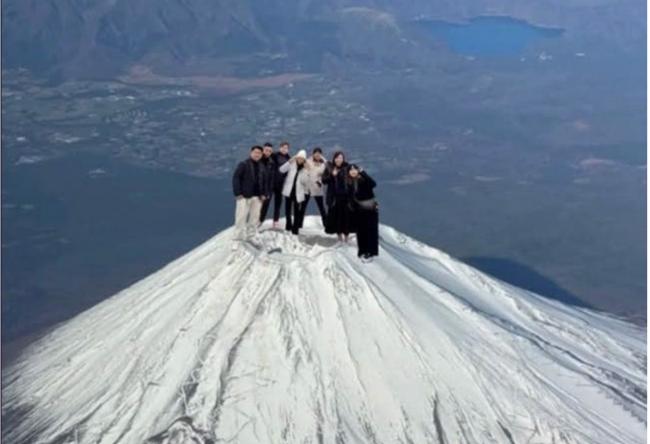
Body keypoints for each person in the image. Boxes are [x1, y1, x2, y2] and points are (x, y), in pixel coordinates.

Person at [232, 146, 268, 241]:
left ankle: (250, 236)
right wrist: (238, 193)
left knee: (254, 217)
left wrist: (264, 194)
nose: (257, 155)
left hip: (257, 197)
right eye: (255, 152)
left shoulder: (262, 167)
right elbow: (236, 178)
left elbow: (264, 181)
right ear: (251, 153)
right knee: (241, 217)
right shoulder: (243, 164)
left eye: (259, 153)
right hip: (244, 196)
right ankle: (238, 237)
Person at [348, 164, 379, 261]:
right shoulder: (350, 183)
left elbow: (373, 184)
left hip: (370, 209)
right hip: (359, 210)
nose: (353, 171)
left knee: (371, 231)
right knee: (360, 232)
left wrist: (363, 172)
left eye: (354, 169)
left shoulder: (363, 180)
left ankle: (371, 252)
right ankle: (362, 250)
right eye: (350, 170)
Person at [322, 150, 353, 242]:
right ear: (334, 159)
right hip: (334, 198)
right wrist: (332, 175)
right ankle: (339, 236)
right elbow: (324, 180)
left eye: (340, 158)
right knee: (336, 217)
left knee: (346, 218)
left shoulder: (348, 167)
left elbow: (353, 180)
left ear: (343, 159)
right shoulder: (329, 168)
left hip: (346, 197)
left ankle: (346, 236)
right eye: (337, 158)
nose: (338, 160)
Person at [279, 149, 310, 235]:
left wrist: (307, 171)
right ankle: (288, 226)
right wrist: (289, 162)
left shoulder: (305, 169)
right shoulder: (291, 164)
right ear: (296, 157)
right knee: (287, 211)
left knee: (297, 211)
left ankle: (295, 229)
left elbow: (305, 182)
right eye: (298, 158)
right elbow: (281, 170)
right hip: (288, 191)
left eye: (302, 159)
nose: (300, 160)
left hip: (298, 193)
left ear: (304, 160)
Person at [301, 147, 327, 228]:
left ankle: (326, 225)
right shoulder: (308, 161)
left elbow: (327, 173)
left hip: (317, 188)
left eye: (319, 153)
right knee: (302, 207)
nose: (317, 155)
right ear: (313, 154)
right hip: (307, 188)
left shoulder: (323, 164)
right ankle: (298, 225)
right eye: (316, 153)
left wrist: (321, 181)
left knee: (322, 208)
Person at [267, 141, 291, 229]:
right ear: (280, 148)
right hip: (271, 183)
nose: (285, 150)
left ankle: (275, 221)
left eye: (286, 148)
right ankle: (259, 220)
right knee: (266, 202)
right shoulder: (274, 155)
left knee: (278, 202)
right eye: (283, 148)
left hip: (280, 184)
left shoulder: (289, 159)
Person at [259, 142, 278, 225]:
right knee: (255, 209)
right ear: (263, 150)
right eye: (266, 150)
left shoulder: (271, 163)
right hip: (257, 190)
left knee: (264, 208)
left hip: (268, 190)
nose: (268, 152)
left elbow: (272, 177)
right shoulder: (257, 161)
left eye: (270, 151)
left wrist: (270, 190)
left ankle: (259, 224)